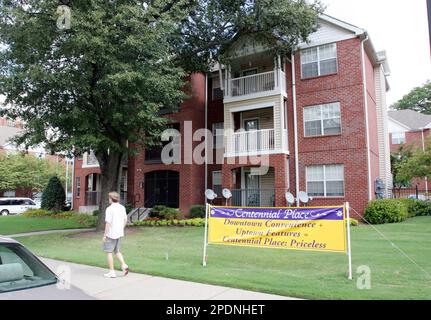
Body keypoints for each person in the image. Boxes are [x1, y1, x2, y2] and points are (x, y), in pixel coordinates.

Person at [102, 191, 129, 278]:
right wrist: (121, 229)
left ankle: (112, 272)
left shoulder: (109, 209)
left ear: (111, 199)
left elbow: (108, 223)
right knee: (117, 251)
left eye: (109, 198)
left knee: (109, 252)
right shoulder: (122, 207)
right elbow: (125, 220)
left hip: (111, 234)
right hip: (119, 233)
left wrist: (105, 235)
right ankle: (124, 265)